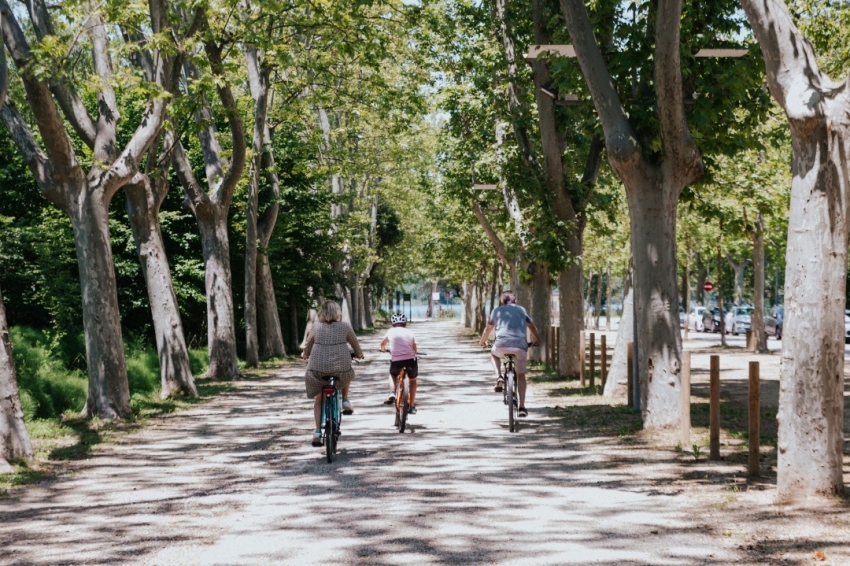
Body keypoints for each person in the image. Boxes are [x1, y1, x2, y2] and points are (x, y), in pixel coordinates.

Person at [301, 300, 364, 446]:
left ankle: (317, 431)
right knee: (346, 373)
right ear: (338, 313)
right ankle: (345, 400)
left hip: (318, 369)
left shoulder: (316, 327)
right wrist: (359, 354)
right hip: (340, 367)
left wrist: (305, 354)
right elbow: (355, 344)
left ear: (321, 313)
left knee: (319, 399)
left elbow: (308, 346)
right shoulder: (345, 326)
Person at [478, 291, 541, 418]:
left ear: (502, 301)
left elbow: (487, 329)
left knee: (494, 354)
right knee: (521, 375)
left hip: (501, 345)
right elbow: (532, 327)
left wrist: (482, 341)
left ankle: (499, 377)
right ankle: (522, 406)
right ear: (515, 301)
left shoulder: (497, 311)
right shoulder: (522, 310)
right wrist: (537, 340)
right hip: (520, 347)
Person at [379, 312, 419, 414]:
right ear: (405, 324)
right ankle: (412, 405)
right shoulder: (410, 332)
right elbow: (414, 348)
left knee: (392, 374)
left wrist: (383, 349)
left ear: (393, 324)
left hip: (396, 361)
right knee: (413, 380)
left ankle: (392, 392)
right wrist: (414, 353)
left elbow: (383, 343)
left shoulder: (390, 331)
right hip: (410, 360)